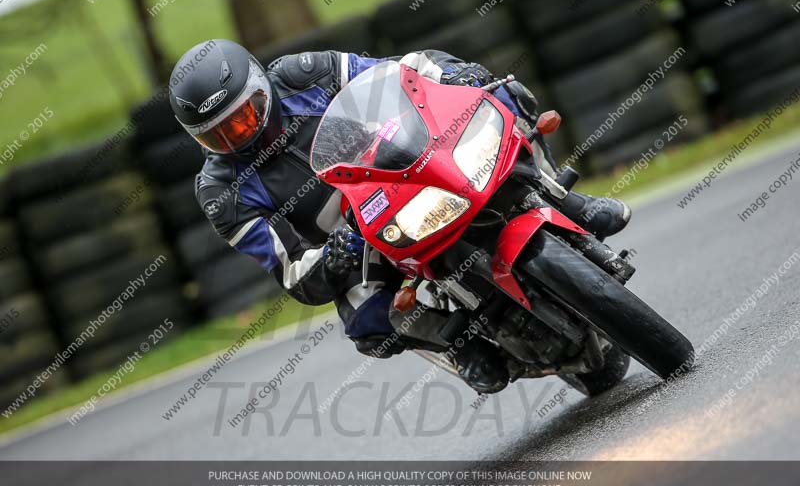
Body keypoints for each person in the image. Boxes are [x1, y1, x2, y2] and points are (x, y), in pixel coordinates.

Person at [169, 39, 631, 394]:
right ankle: (461, 345)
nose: (239, 134)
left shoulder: (301, 74)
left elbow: (396, 75)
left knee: (502, 97)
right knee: (366, 321)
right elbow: (292, 272)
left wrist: (452, 73)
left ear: (259, 87)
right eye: (220, 135)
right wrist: (332, 256)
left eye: (245, 117)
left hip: (404, 167)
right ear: (200, 140)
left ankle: (566, 201)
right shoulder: (221, 192)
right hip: (356, 240)